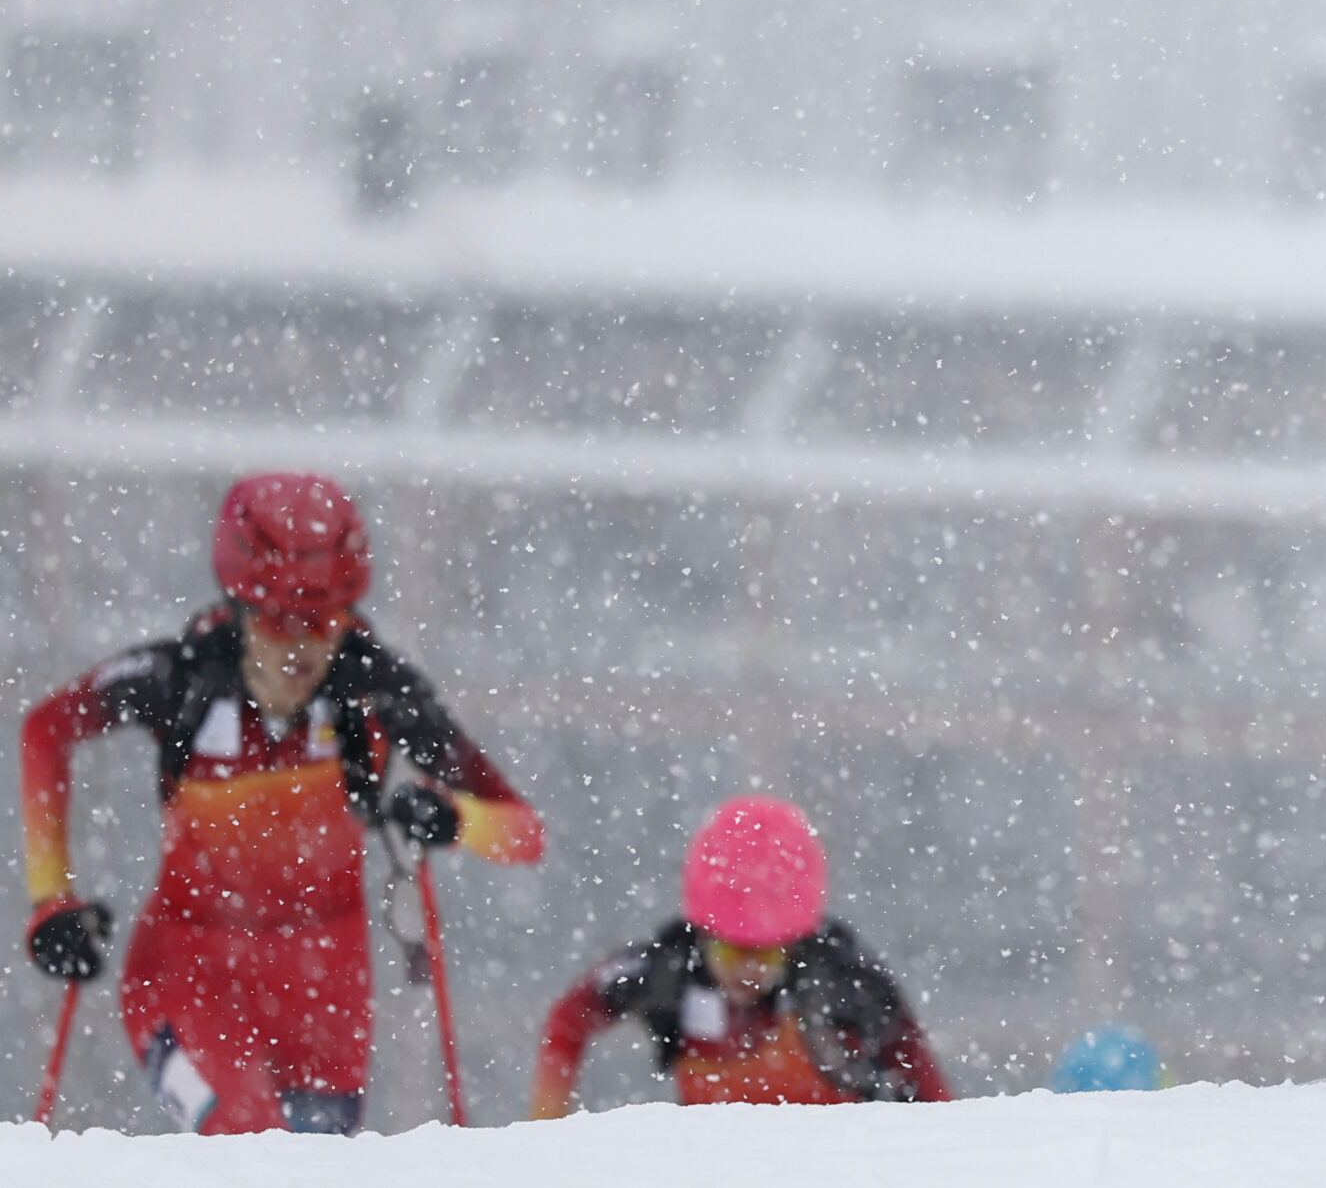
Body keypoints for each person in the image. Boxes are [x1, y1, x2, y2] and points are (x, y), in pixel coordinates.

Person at [19, 472, 546, 1133]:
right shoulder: (180, 675)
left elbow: (524, 831)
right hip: (186, 978)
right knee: (250, 1146)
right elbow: (45, 730)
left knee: (313, 1169)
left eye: (323, 619)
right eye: (276, 619)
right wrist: (51, 898)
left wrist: (454, 818)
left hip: (326, 996)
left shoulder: (376, 688)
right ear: (238, 608)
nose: (299, 645)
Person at [529, 794, 952, 1115]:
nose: (747, 971)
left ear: (793, 945)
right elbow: (567, 1022)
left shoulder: (842, 979)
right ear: (704, 937)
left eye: (767, 956)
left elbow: (929, 1089)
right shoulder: (668, 970)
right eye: (731, 952)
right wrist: (546, 1130)